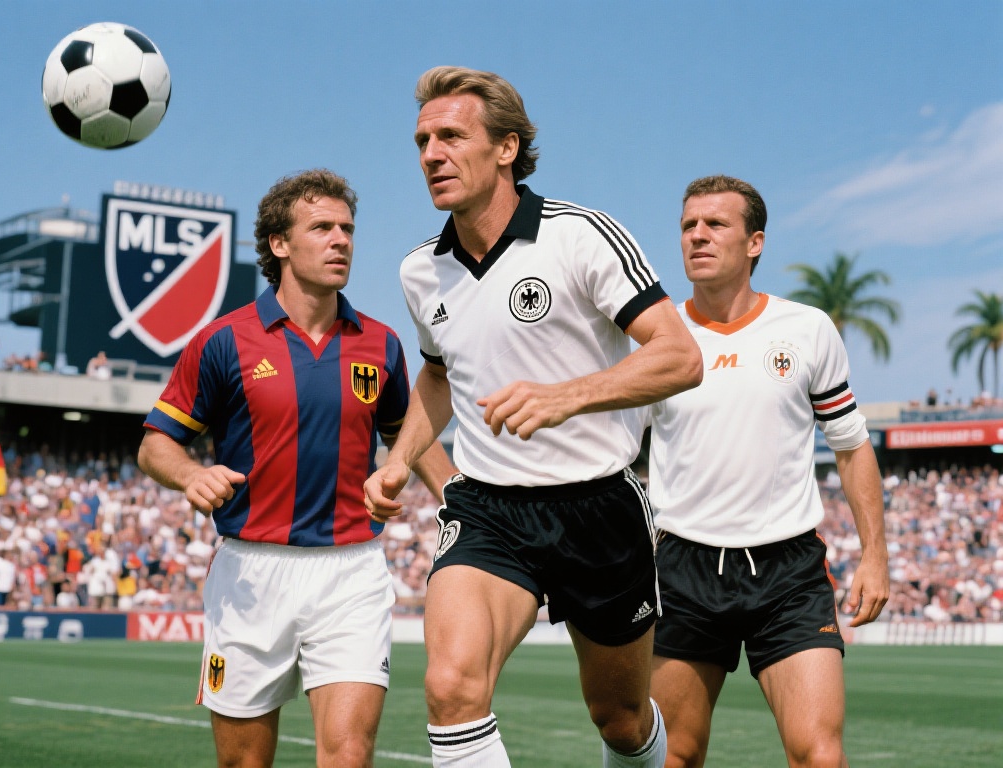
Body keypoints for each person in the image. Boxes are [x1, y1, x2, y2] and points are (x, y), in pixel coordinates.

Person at [364, 66, 703, 768]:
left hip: (600, 507)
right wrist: (399, 460)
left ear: (507, 147)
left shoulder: (581, 236)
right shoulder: (420, 272)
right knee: (451, 687)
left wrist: (565, 396)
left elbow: (680, 356)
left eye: (451, 136)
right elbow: (438, 375)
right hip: (489, 510)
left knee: (619, 718)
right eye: (423, 141)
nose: (431, 154)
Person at [138, 169, 455, 768]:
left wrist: (458, 498)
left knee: (349, 754)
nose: (341, 241)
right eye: (322, 228)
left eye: (347, 229)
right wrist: (190, 475)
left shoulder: (381, 343)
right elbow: (156, 445)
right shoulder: (222, 341)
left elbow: (407, 435)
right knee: (244, 763)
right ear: (279, 243)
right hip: (249, 576)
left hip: (352, 571)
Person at [647, 175, 890, 767]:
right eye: (688, 225)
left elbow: (852, 446)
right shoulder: (655, 338)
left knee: (819, 756)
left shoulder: (806, 329)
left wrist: (875, 555)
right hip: (682, 569)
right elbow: (617, 457)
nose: (697, 236)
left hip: (789, 572)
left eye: (715, 224)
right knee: (675, 755)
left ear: (755, 242)